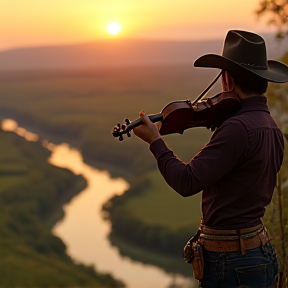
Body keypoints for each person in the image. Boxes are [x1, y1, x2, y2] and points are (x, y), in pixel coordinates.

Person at [132, 30, 288, 288]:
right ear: (263, 80)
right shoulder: (271, 127)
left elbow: (186, 181)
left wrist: (155, 142)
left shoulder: (238, 128)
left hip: (231, 262)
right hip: (260, 252)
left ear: (227, 79)